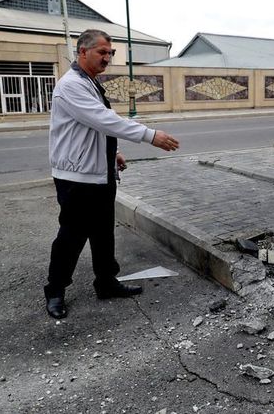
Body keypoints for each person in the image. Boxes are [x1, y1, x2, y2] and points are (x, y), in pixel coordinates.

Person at [45, 29, 179, 319]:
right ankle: (55, 290)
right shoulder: (70, 85)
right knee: (71, 237)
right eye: (101, 52)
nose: (107, 58)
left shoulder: (89, 82)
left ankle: (106, 282)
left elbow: (92, 128)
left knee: (103, 234)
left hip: (99, 173)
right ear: (82, 52)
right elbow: (102, 119)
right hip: (77, 178)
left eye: (110, 53)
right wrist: (149, 135)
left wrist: (111, 152)